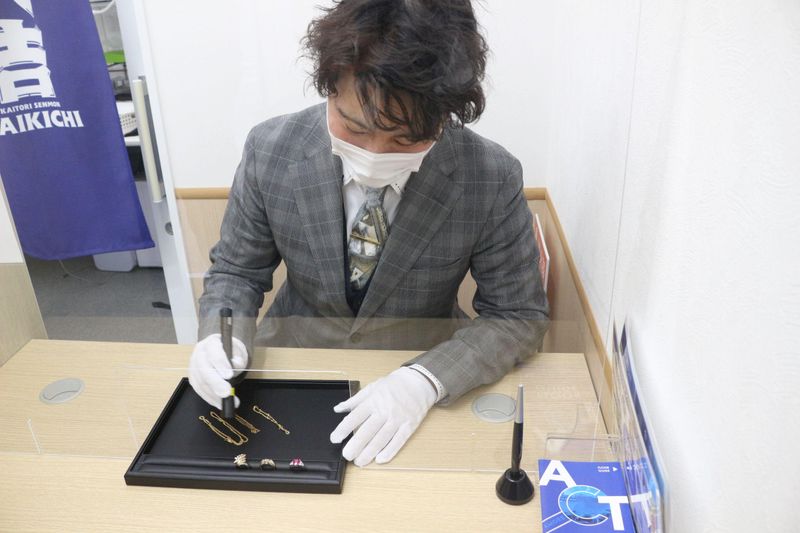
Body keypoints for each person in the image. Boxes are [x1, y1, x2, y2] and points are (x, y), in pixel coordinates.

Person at [188, 0, 548, 468]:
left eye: (404, 139)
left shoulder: (489, 175)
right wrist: (222, 335)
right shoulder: (271, 150)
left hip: (418, 365)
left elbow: (518, 315)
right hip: (294, 363)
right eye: (354, 128)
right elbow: (237, 272)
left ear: (446, 115)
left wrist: (424, 381)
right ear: (329, 86)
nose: (375, 154)